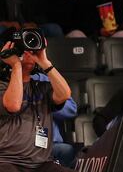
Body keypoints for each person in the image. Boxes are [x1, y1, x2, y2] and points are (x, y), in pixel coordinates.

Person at [0, 31, 72, 171]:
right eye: (24, 50)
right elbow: (13, 105)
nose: (29, 53)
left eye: (32, 50)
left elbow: (65, 95)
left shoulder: (42, 87)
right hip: (6, 162)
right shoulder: (2, 86)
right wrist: (16, 65)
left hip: (42, 164)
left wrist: (45, 62)